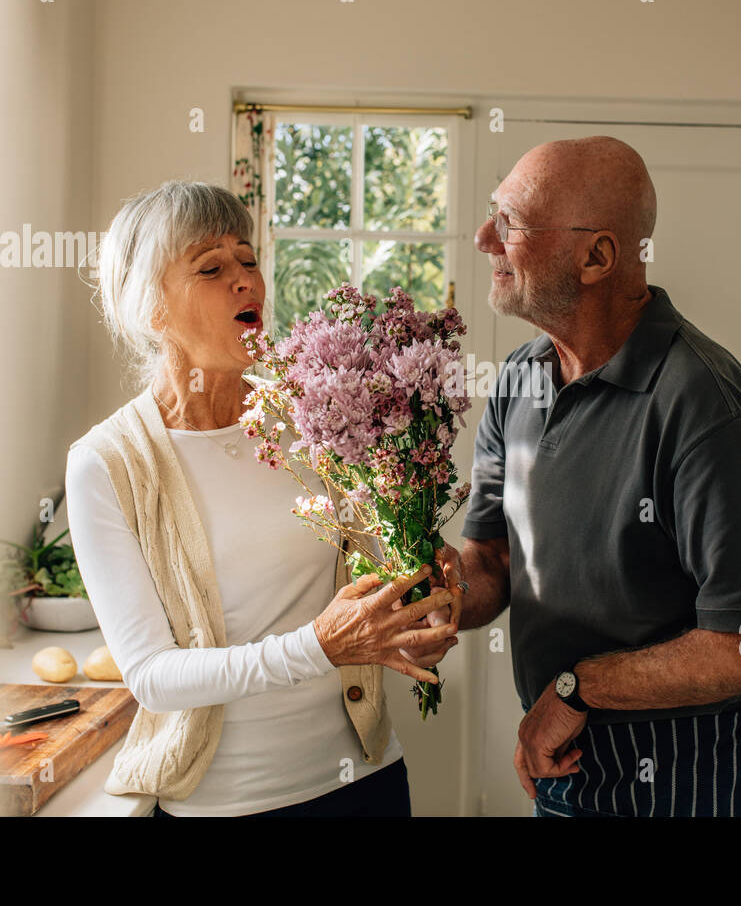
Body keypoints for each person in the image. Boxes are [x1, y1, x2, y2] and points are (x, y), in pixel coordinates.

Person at [433, 136, 741, 816]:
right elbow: (491, 560)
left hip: (698, 778)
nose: (485, 237)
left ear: (598, 257)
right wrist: (432, 590)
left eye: (510, 222)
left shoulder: (699, 400)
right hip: (565, 764)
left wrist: (578, 688)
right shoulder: (518, 379)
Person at [66, 180, 459, 817]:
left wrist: (424, 595)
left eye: (248, 258)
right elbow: (154, 678)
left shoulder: (313, 419)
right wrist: (321, 647)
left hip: (368, 780)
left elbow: (372, 574)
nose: (245, 279)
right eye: (211, 268)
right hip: (232, 804)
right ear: (151, 307)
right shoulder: (107, 465)